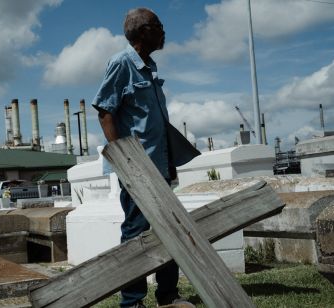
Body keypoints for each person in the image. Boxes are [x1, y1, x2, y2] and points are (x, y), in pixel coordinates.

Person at [93, 7, 194, 308]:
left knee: (169, 228)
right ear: (142, 31)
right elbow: (104, 111)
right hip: (137, 169)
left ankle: (167, 295)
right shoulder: (123, 63)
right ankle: (132, 301)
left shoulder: (149, 68)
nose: (164, 30)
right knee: (136, 232)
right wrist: (124, 160)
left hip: (159, 165)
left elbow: (154, 123)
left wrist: (171, 163)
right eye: (158, 25)